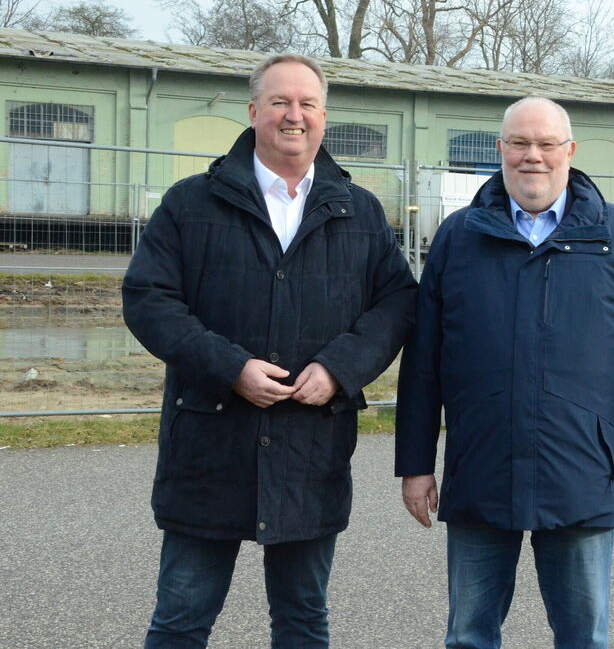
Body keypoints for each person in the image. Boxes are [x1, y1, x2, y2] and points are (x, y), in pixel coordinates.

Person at [123, 54, 417, 648]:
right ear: (254, 111)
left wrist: (340, 368)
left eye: (307, 104)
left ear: (324, 118)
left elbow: (396, 304)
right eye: (280, 102)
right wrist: (228, 368)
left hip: (310, 452)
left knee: (303, 622)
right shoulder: (191, 204)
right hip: (210, 447)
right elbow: (148, 298)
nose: (294, 115)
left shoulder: (358, 212)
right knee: (181, 619)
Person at [396, 96, 614, 648]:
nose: (534, 157)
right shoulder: (459, 237)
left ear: (569, 151)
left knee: (582, 636)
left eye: (547, 144)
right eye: (520, 143)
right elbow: (424, 361)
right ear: (500, 150)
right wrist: (415, 464)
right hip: (481, 466)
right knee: (471, 635)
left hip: (580, 472)